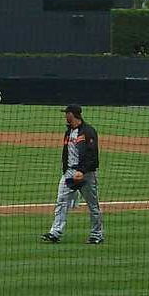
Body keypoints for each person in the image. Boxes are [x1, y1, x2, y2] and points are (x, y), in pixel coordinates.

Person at [42, 104, 103, 245]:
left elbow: (93, 156)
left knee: (93, 205)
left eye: (67, 113)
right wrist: (66, 170)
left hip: (86, 174)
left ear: (73, 114)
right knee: (61, 201)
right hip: (69, 172)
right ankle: (55, 233)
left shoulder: (88, 131)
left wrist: (82, 170)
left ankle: (97, 234)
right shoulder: (68, 132)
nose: (65, 116)